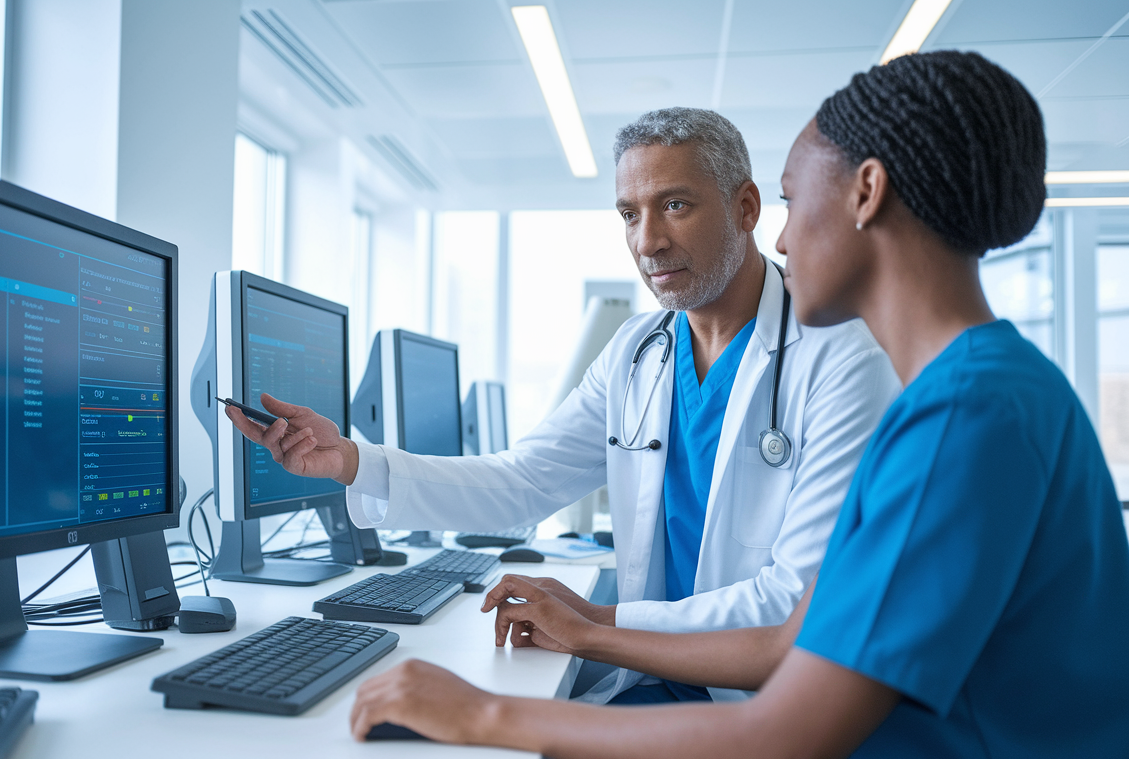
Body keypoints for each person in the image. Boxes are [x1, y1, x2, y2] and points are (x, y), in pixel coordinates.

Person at [347, 50, 1129, 759]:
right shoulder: (975, 391)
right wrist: (587, 626)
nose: (783, 237)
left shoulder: (964, 416)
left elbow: (777, 751)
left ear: (866, 192)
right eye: (629, 214)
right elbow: (793, 638)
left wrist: (486, 711)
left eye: (790, 199)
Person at [227, 108, 899, 706]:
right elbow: (522, 484)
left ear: (747, 207)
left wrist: (596, 626)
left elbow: (792, 605)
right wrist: (351, 461)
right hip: (653, 680)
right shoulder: (639, 350)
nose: (647, 242)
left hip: (760, 711)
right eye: (629, 214)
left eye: (675, 205)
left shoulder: (840, 359)